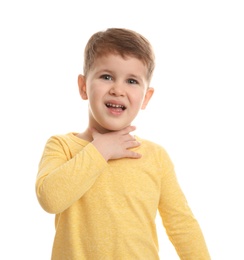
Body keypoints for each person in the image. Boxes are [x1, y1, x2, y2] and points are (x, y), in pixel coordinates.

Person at [36, 28, 211, 259]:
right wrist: (100, 150)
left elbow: (182, 225)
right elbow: (50, 199)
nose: (118, 90)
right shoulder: (62, 147)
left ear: (146, 97)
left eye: (131, 81)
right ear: (83, 87)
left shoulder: (156, 157)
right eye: (106, 76)